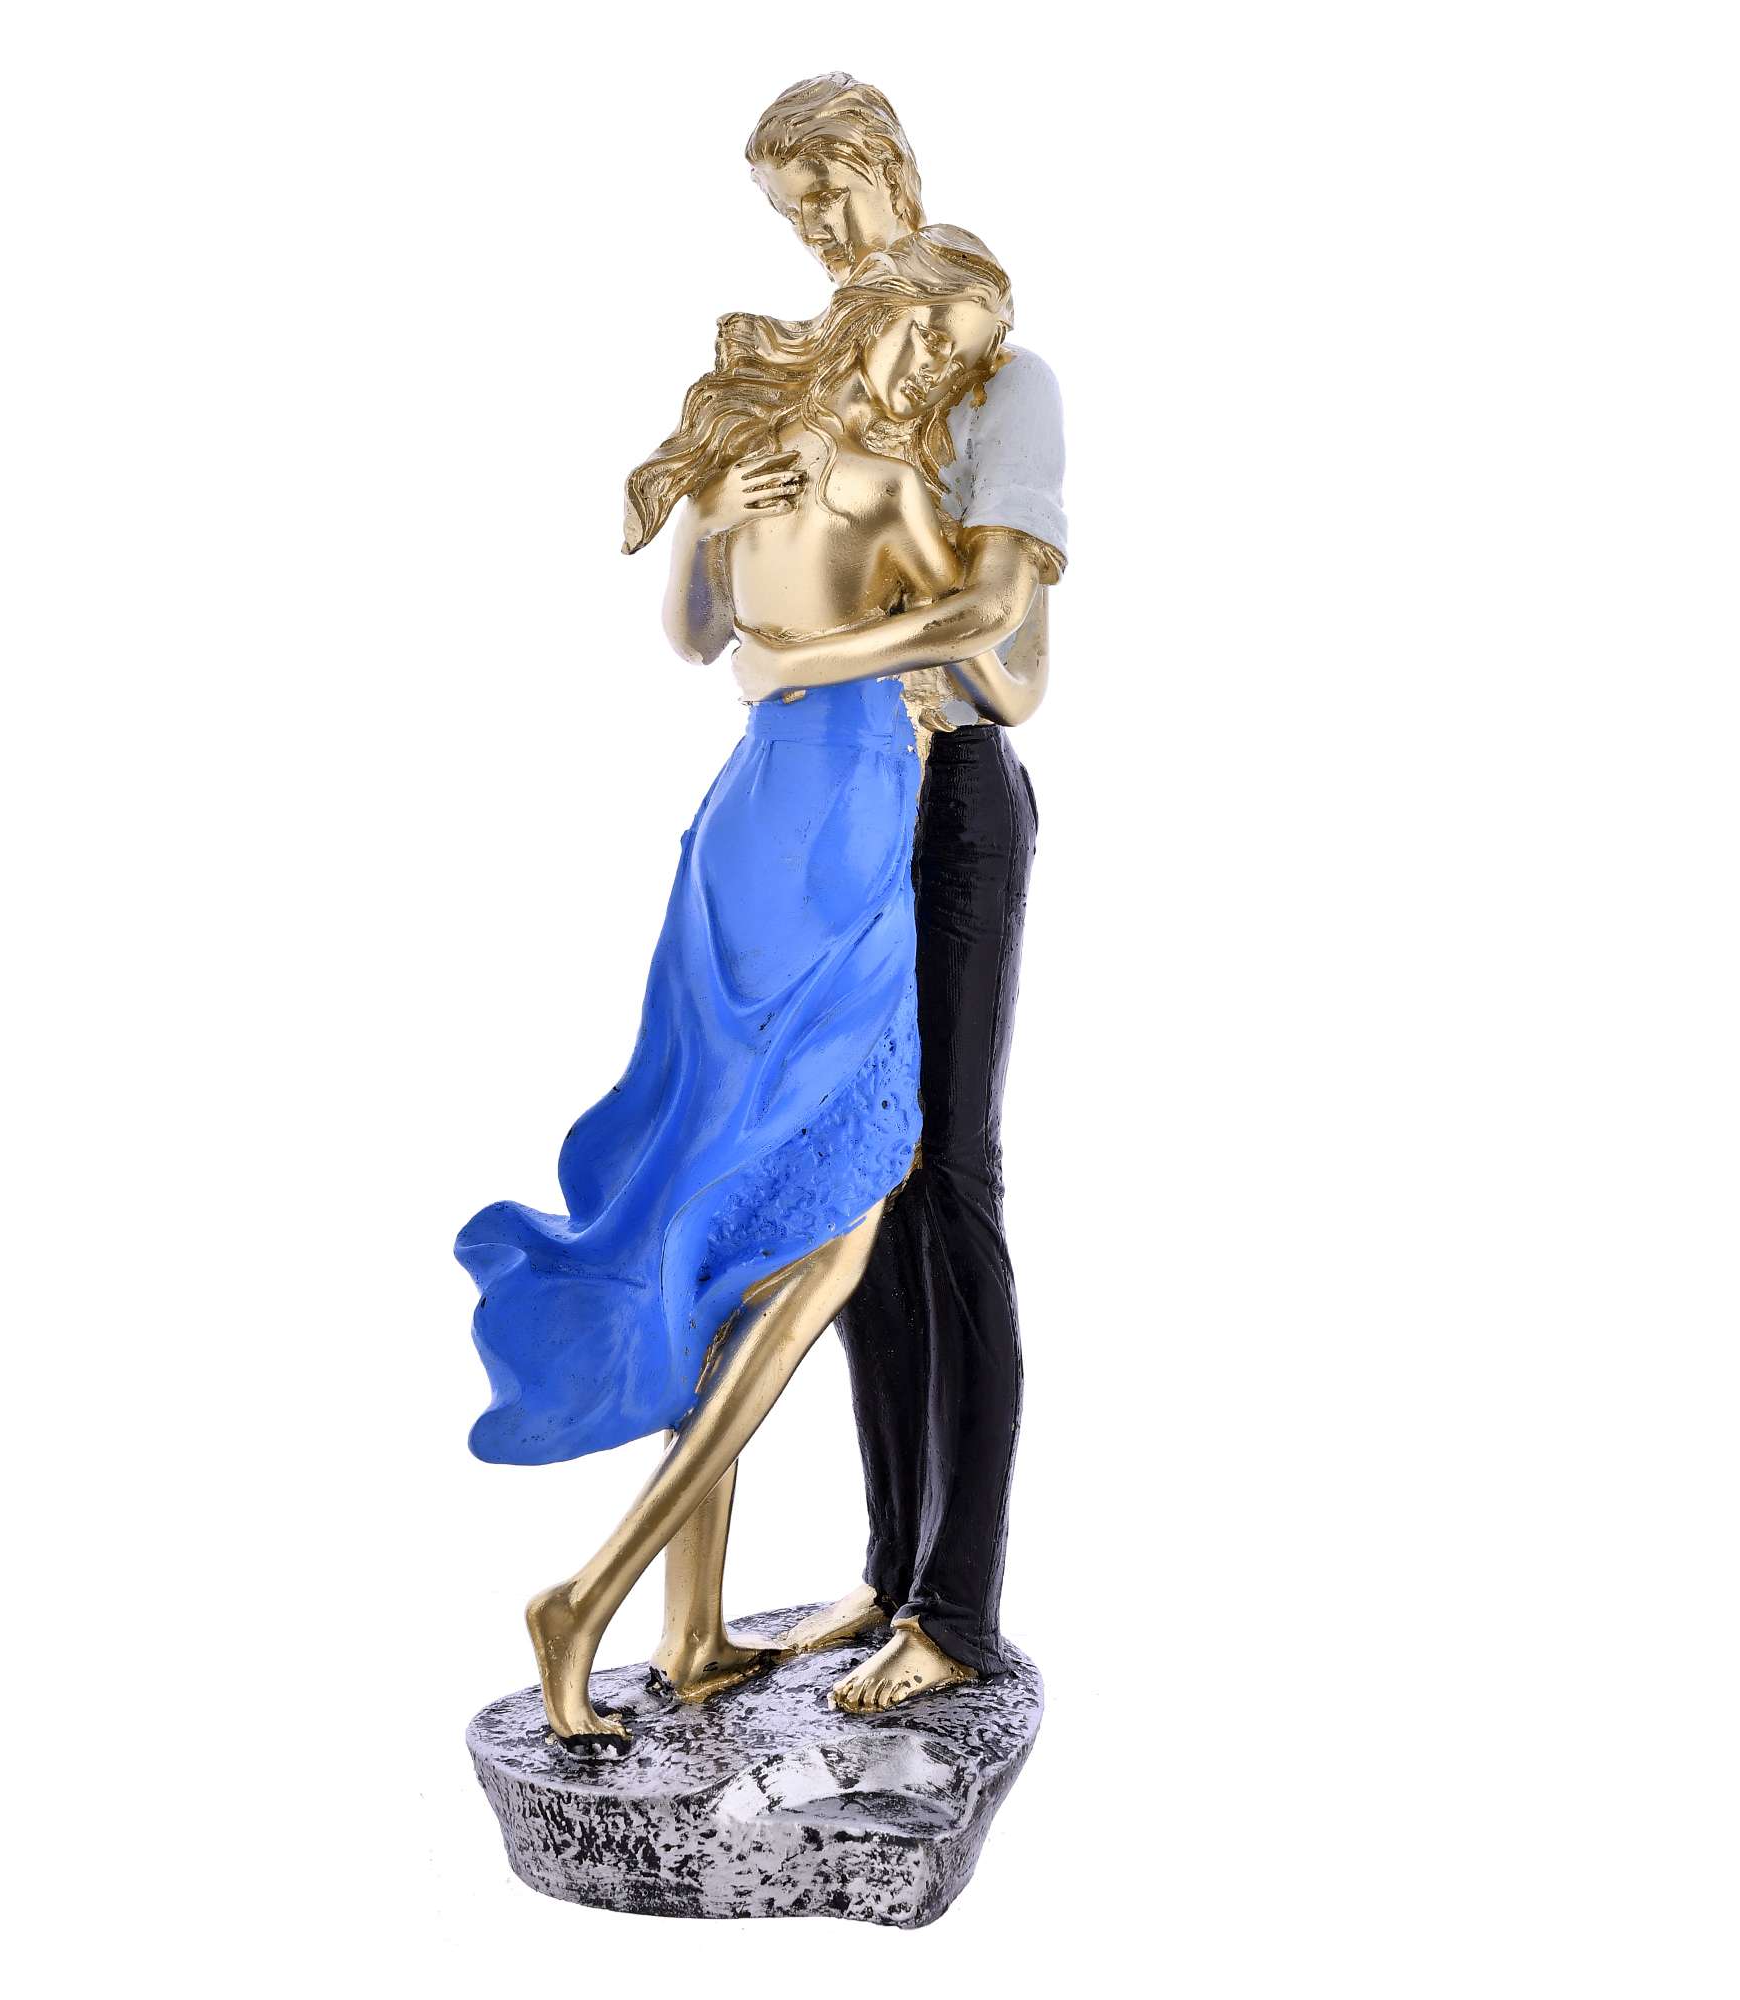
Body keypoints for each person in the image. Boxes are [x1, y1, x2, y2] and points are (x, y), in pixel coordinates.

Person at [456, 230, 1020, 1749]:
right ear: (880, 316)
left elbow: (699, 638)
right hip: (842, 828)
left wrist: (720, 539)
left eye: (962, 356)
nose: (937, 369)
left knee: (720, 1205)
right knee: (837, 1234)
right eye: (930, 337)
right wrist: (842, 650)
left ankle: (692, 1627)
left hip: (741, 819)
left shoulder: (749, 465)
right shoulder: (888, 484)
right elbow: (995, 657)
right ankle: (589, 1597)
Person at [704, 74, 1070, 1711]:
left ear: (891, 169)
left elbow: (1007, 652)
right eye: (790, 215)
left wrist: (809, 660)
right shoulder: (812, 379)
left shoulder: (999, 374)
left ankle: (959, 1608)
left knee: (950, 1184)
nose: (817, 235)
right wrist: (721, 526)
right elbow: (716, 619)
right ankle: (887, 1565)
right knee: (858, 1181)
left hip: (948, 803)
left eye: (829, 198)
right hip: (827, 809)